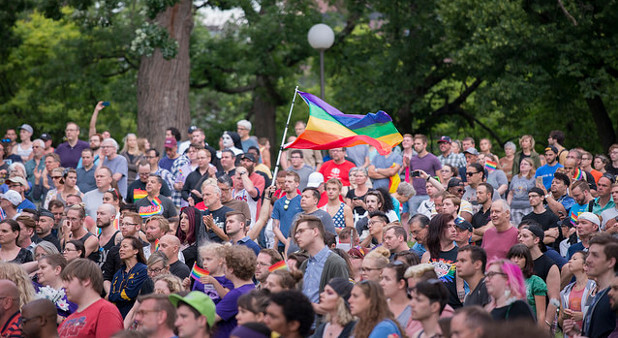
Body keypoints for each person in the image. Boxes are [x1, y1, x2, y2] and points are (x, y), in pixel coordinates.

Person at [565, 233, 618, 338]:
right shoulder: (597, 292)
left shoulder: (614, 295)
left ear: (611, 262)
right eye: (588, 254)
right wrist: (579, 332)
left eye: (595, 255)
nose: (588, 259)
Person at [58, 259, 124, 337]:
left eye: (69, 280)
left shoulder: (106, 311)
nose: (64, 286)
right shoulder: (69, 319)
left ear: (86, 280)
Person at [293, 214, 350, 304]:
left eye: (301, 231)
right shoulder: (304, 264)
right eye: (296, 232)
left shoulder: (336, 263)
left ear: (315, 231)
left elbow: (343, 300)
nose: (296, 236)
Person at [214, 245, 256, 338]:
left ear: (231, 269)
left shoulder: (236, 294)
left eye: (224, 263)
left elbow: (210, 318)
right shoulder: (252, 288)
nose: (222, 265)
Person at [109, 236, 150, 318]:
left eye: (125, 246)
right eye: (120, 247)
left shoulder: (143, 270)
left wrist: (115, 296)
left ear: (136, 251)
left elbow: (129, 294)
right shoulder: (118, 273)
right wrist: (115, 296)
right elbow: (111, 296)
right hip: (117, 315)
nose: (121, 249)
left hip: (135, 316)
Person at [506, 244, 547, 323]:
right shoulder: (504, 280)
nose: (516, 260)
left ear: (527, 260)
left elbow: (541, 314)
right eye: (513, 257)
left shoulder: (536, 282)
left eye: (520, 257)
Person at [559, 251, 596, 335]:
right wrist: (564, 317)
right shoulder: (566, 291)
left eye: (574, 259)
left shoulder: (594, 287)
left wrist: (583, 316)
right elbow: (561, 323)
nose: (569, 261)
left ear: (585, 265)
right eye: (570, 258)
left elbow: (600, 315)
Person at [33, 254, 78, 320]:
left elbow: (80, 322)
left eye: (43, 268)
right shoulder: (36, 290)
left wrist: (58, 319)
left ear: (57, 270)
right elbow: (14, 273)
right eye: (38, 268)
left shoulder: (71, 295)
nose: (38, 272)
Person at [406, 134, 442, 214]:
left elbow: (439, 178)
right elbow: (410, 178)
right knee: (414, 219)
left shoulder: (433, 159)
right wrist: (410, 193)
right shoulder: (413, 160)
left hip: (429, 195)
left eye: (418, 144)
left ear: (425, 144)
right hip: (414, 195)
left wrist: (438, 193)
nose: (416, 146)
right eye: (415, 144)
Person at [271, 171, 303, 252]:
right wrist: (286, 242)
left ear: (297, 184)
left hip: (299, 243)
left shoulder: (302, 201)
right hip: (282, 244)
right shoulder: (278, 202)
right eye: (285, 181)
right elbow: (275, 227)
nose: (286, 184)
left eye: (290, 181)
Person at [421, 214, 458, 282]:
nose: (454, 230)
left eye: (454, 226)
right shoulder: (427, 256)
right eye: (449, 226)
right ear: (438, 229)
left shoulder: (460, 255)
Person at [380, 261, 412, 328]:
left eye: (387, 279)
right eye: (382, 278)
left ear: (401, 284)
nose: (381, 283)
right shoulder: (379, 306)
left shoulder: (414, 309)